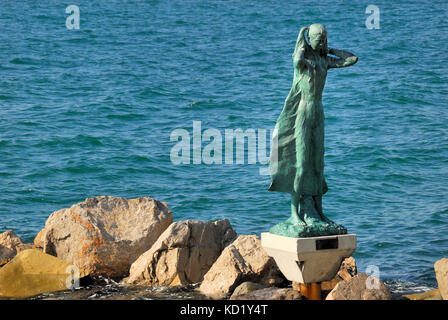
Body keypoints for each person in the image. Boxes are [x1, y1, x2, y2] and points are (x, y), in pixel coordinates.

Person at [268, 24, 358, 237]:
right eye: (318, 39)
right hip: (303, 112)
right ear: (310, 39)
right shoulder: (304, 62)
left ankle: (319, 212)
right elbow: (297, 60)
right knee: (300, 165)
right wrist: (301, 40)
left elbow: (352, 59)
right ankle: (294, 213)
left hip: (319, 112)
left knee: (318, 164)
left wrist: (331, 50)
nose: (322, 42)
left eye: (324, 39)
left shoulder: (324, 60)